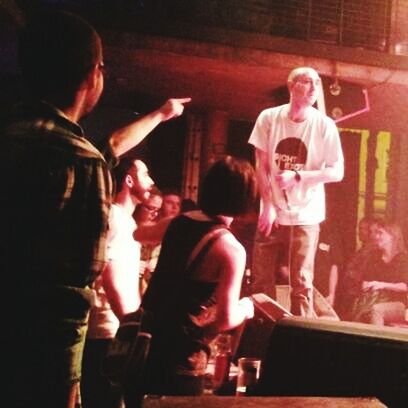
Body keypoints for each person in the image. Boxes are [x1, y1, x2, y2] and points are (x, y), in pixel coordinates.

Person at [1, 9, 190, 408]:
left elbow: (113, 146)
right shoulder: (82, 162)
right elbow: (69, 299)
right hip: (37, 363)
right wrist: (67, 383)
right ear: (92, 76)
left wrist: (161, 113)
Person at [126, 156, 258, 405]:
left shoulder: (177, 222)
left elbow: (138, 234)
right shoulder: (231, 248)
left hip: (143, 348)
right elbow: (226, 318)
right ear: (245, 198)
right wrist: (246, 308)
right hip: (182, 360)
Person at [248, 66, 344, 317]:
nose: (314, 88)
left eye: (317, 83)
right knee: (260, 281)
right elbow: (261, 165)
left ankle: (301, 336)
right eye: (307, 81)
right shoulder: (269, 118)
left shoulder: (324, 125)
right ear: (292, 86)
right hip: (273, 210)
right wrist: (268, 206)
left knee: (301, 283)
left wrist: (299, 177)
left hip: (307, 213)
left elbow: (337, 171)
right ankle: (261, 332)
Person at [81, 158, 153, 408]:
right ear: (129, 180)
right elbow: (109, 275)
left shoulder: (127, 221)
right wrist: (131, 327)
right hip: (107, 331)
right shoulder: (114, 217)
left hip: (115, 329)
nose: (151, 181)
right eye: (145, 174)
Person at [350, 220, 408, 326]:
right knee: (358, 307)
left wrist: (382, 285)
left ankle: (375, 336)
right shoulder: (374, 257)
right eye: (376, 233)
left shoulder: (403, 259)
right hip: (375, 299)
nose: (376, 236)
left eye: (380, 233)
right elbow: (365, 280)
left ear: (392, 236)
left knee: (377, 310)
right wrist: (366, 285)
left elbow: (405, 286)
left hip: (399, 304)